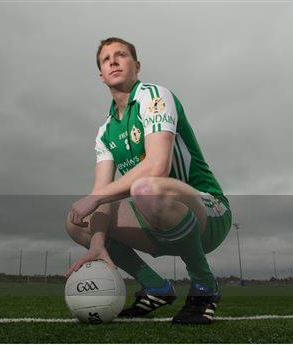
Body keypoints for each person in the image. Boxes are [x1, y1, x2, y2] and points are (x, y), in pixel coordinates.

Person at [65, 37, 232, 325]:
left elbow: (158, 164)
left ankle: (205, 287)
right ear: (101, 75)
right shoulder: (105, 132)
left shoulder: (154, 96)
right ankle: (156, 287)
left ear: (137, 65)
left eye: (121, 55)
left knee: (146, 187)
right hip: (155, 217)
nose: (114, 61)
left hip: (208, 211)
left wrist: (96, 198)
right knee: (78, 221)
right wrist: (96, 241)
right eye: (106, 59)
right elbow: (101, 194)